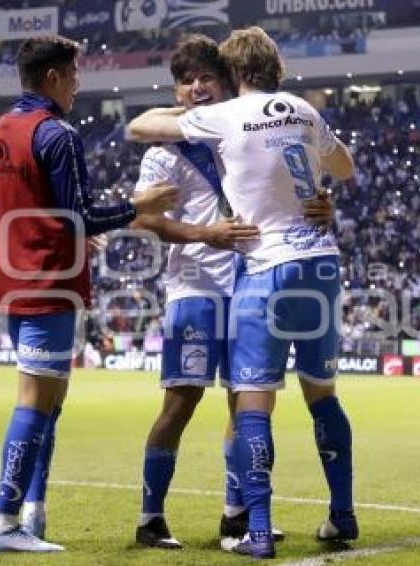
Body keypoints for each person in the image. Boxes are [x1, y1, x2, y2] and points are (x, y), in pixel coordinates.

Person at [128, 26, 357, 558]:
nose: (198, 88)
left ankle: (241, 520)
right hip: (206, 286)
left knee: (249, 406)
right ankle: (152, 516)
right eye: (186, 82)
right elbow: (145, 205)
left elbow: (291, 177)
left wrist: (324, 198)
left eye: (207, 77)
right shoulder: (184, 143)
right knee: (186, 403)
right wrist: (206, 232)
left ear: (230, 79)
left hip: (254, 278)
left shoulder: (229, 121)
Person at [0, 35, 178, 553]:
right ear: (53, 78)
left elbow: (39, 206)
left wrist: (68, 228)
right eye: (74, 73)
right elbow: (81, 214)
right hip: (48, 280)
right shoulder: (57, 133)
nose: (77, 83)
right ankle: (3, 522)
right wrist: (140, 204)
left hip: (14, 277)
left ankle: (31, 510)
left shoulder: (1, 129)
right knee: (34, 402)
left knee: (50, 402)